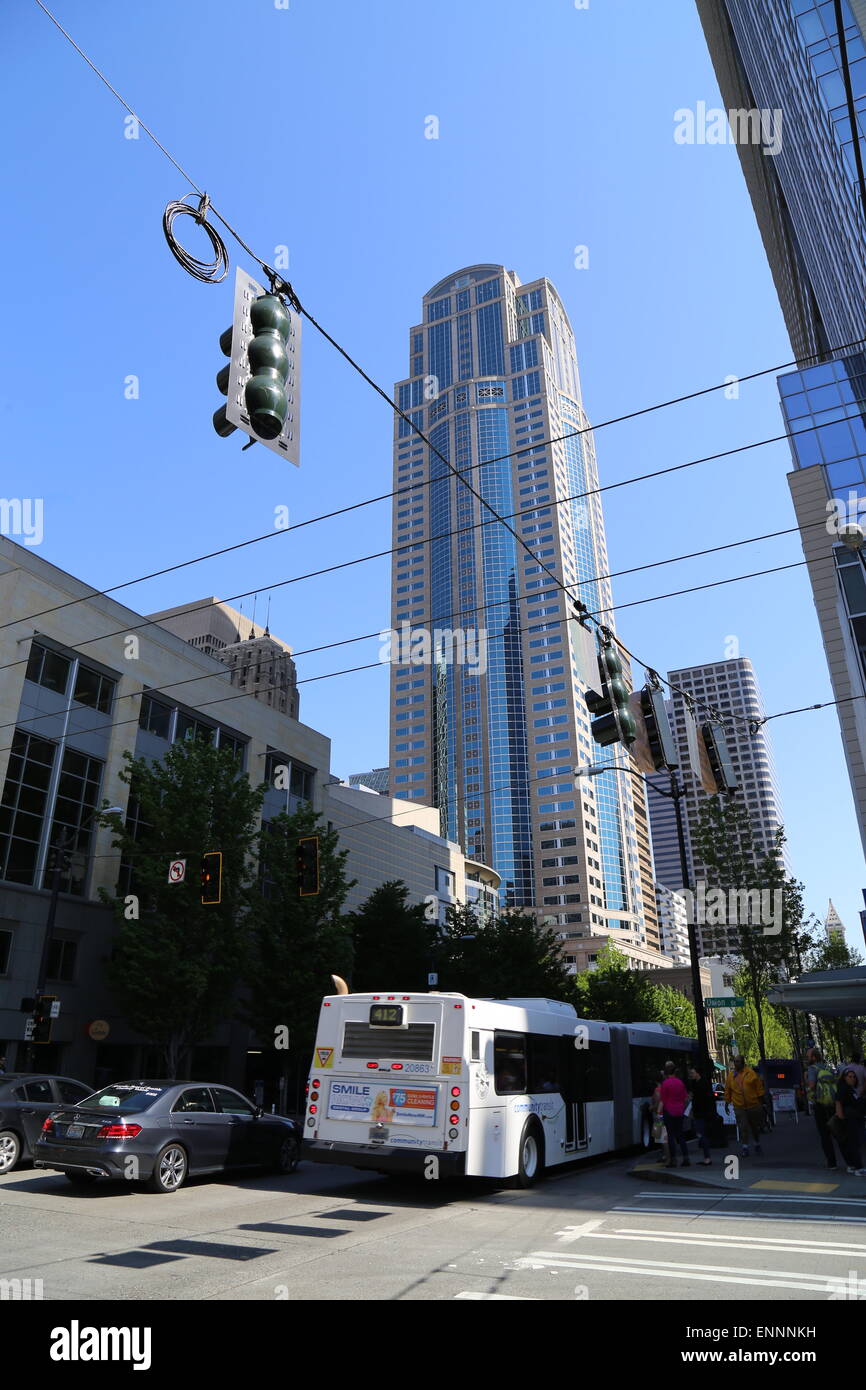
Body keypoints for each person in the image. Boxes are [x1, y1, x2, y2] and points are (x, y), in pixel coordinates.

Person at [806, 1045, 843, 1170]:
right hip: (832, 1104)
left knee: (824, 1134)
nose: (807, 1058)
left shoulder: (812, 1069)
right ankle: (851, 1161)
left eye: (808, 1056)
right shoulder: (828, 1067)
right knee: (838, 1132)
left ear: (814, 1057)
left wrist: (807, 1088)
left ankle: (832, 1163)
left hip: (820, 1104)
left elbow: (811, 1086)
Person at [724, 1055, 765, 1157]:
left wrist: (761, 1103)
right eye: (735, 1061)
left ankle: (756, 1143)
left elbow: (759, 1089)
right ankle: (745, 1147)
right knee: (743, 1128)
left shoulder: (751, 1074)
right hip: (739, 1106)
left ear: (743, 1063)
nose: (736, 1063)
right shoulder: (731, 1076)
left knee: (754, 1127)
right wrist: (727, 1102)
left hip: (753, 1105)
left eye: (738, 1062)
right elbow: (728, 1090)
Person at [659, 1060, 691, 1168]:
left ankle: (674, 1160)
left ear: (666, 1073)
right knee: (681, 1135)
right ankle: (686, 1158)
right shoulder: (680, 1083)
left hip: (669, 1111)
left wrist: (659, 1114)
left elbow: (663, 1100)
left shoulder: (665, 1084)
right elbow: (685, 1098)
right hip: (679, 1111)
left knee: (671, 1137)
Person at [834, 1069, 866, 1176]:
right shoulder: (844, 1088)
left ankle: (852, 1165)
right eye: (849, 1076)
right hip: (850, 1120)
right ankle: (858, 1168)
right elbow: (838, 1102)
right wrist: (841, 1117)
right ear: (844, 1078)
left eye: (854, 1076)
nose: (852, 1078)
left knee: (852, 1143)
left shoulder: (850, 1089)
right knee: (854, 1143)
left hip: (853, 1119)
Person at [688, 1064, 715, 1165]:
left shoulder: (701, 1084)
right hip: (700, 1112)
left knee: (702, 1134)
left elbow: (701, 1100)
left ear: (697, 1073)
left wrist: (693, 1098)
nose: (691, 1074)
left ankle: (707, 1158)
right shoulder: (697, 1083)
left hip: (702, 1113)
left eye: (693, 1073)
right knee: (701, 1134)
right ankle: (706, 1157)